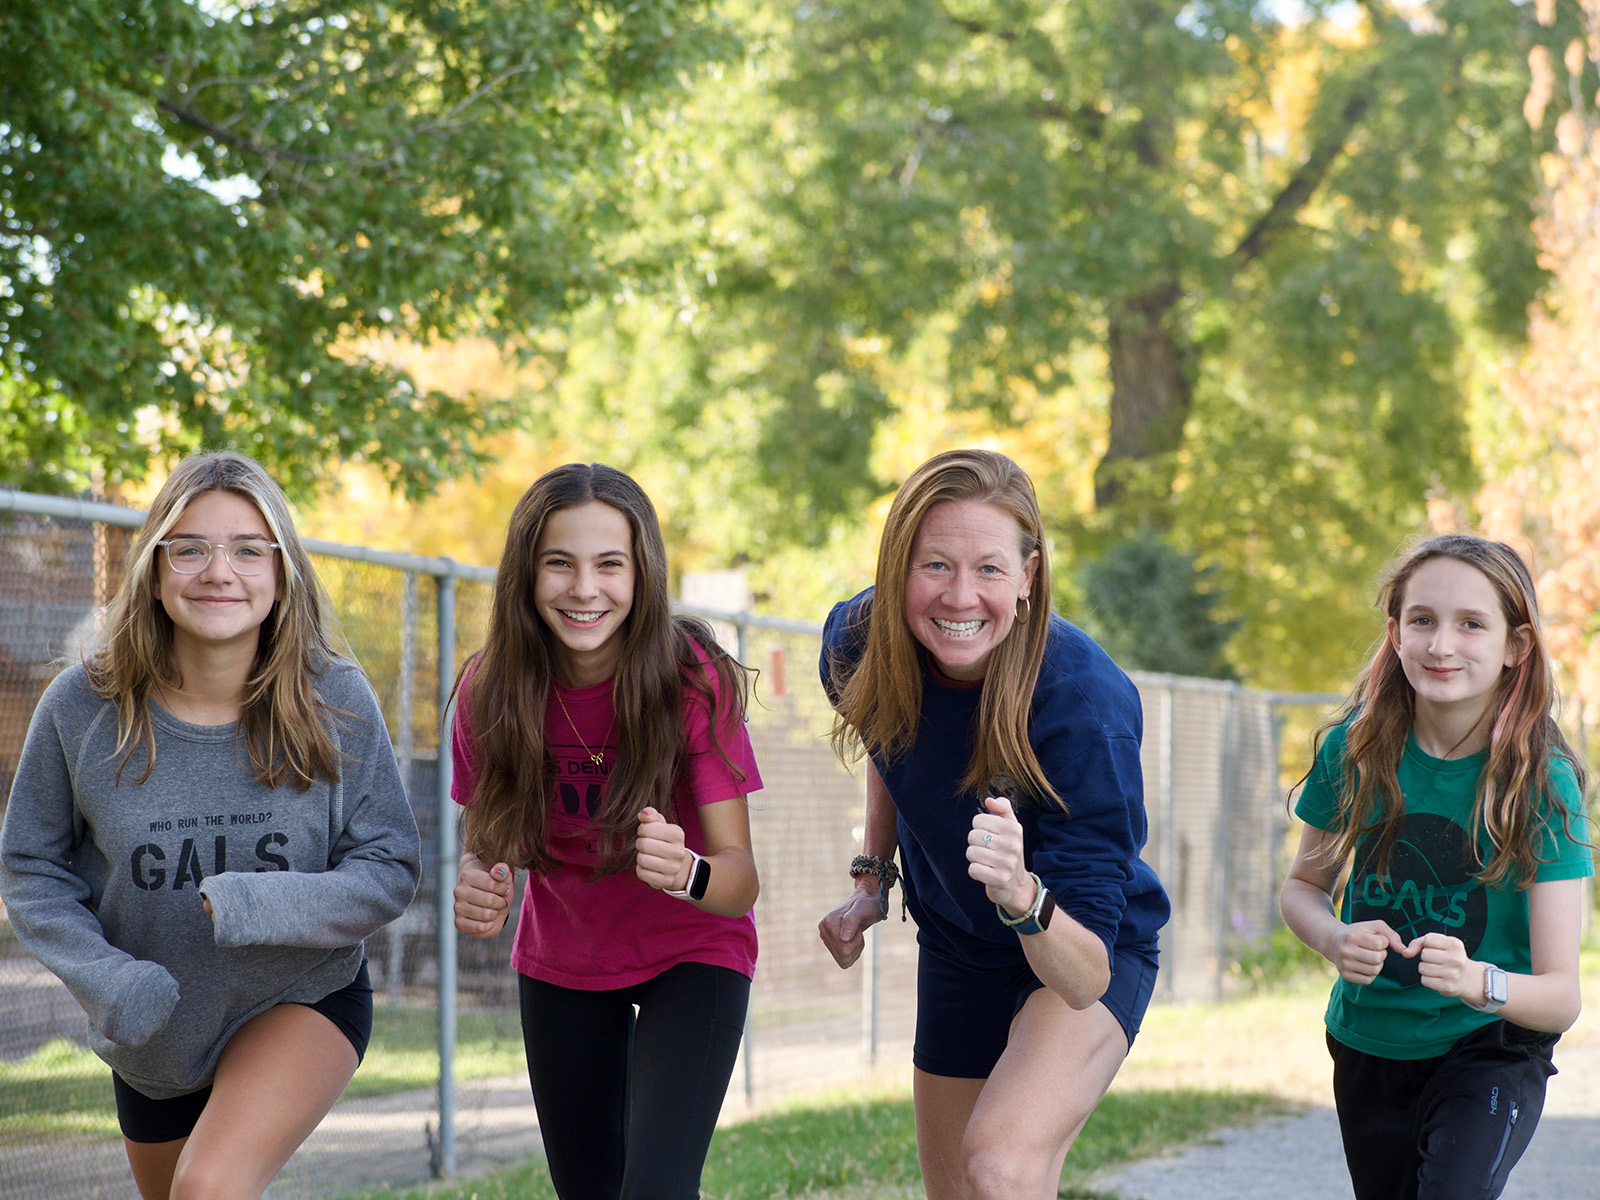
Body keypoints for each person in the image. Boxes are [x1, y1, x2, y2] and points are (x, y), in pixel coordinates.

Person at [0, 451, 422, 1200]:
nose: (218, 571)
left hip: (299, 995)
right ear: (155, 573)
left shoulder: (337, 699)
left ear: (281, 570)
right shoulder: (81, 708)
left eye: (248, 550)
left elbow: (388, 865)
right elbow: (31, 870)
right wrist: (109, 981)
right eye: (189, 548)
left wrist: (260, 903)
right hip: (152, 1028)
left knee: (210, 1188)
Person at [816, 448, 1170, 1200]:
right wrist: (871, 880)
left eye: (989, 570)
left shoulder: (1083, 705)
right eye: (934, 565)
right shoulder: (856, 642)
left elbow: (1086, 978)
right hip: (959, 946)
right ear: (895, 566)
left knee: (1002, 1162)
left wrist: (1021, 894)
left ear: (1029, 577)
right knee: (960, 1191)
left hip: (1081, 944)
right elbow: (889, 742)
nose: (960, 596)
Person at [450, 462, 762, 1200]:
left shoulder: (691, 676)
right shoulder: (489, 687)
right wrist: (478, 888)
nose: (584, 588)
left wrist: (688, 871)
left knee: (654, 1189)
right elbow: (486, 848)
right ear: (526, 576)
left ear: (642, 574)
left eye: (609, 565)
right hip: (564, 959)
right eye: (559, 563)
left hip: (692, 951)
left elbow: (740, 880)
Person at [1279, 533, 1592, 1200]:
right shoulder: (1353, 751)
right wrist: (1335, 938)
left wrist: (1480, 980)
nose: (1441, 644)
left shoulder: (1540, 784)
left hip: (1489, 1044)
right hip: (1369, 1043)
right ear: (1395, 634)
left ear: (1516, 647)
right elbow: (1303, 889)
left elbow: (1562, 995)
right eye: (1422, 620)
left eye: (1471, 624)